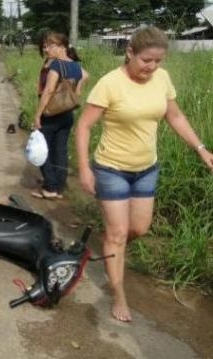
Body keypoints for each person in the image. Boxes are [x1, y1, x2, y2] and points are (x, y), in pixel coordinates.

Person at [75, 26, 213, 323]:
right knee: (119, 233)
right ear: (129, 53)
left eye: (157, 61)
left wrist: (202, 149)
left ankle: (114, 242)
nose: (151, 67)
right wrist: (85, 168)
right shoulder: (110, 84)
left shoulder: (161, 79)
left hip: (146, 168)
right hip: (112, 168)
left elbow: (174, 115)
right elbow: (84, 126)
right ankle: (118, 294)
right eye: (145, 60)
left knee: (139, 228)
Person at [31, 32, 88, 199]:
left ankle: (50, 186)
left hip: (51, 114)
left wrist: (37, 115)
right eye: (46, 46)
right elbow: (85, 76)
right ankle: (59, 187)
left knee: (41, 150)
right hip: (67, 114)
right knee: (61, 150)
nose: (46, 48)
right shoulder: (76, 65)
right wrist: (77, 92)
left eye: (50, 46)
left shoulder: (56, 66)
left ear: (62, 48)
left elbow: (48, 91)